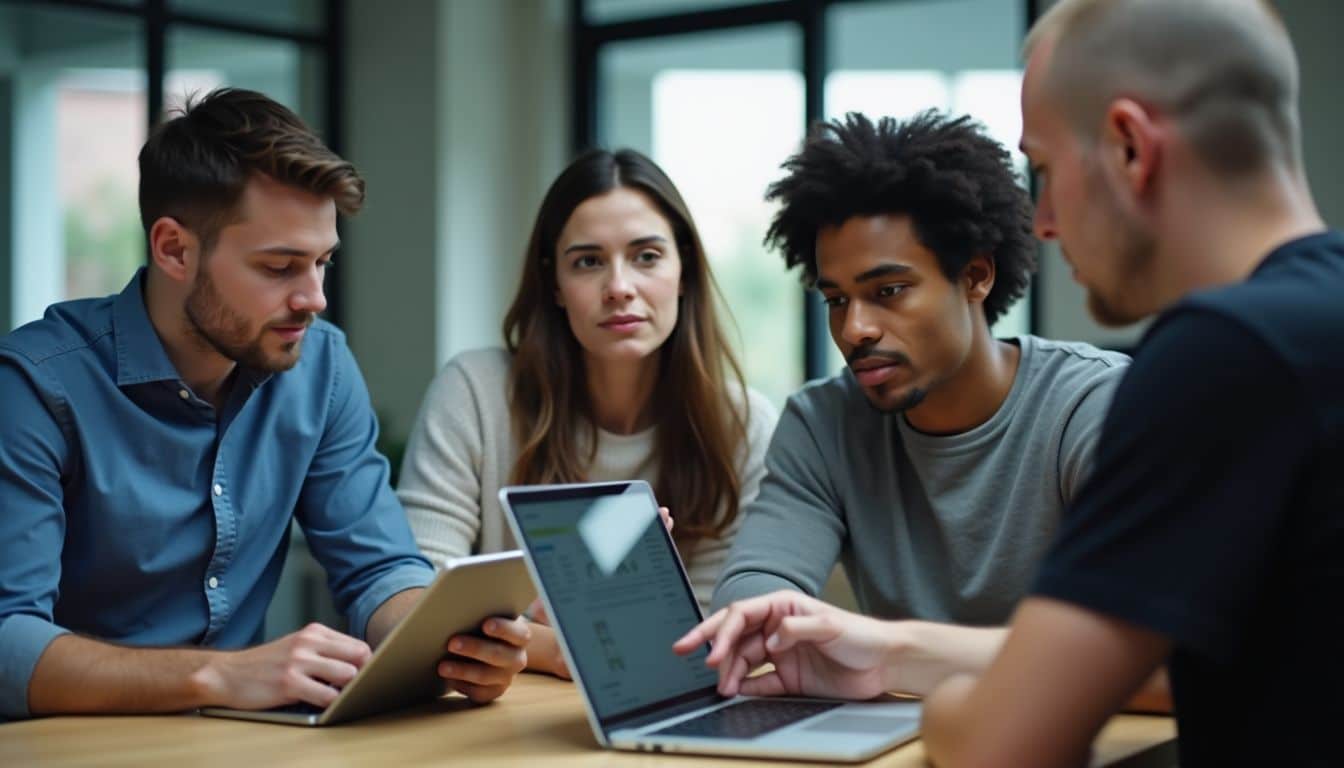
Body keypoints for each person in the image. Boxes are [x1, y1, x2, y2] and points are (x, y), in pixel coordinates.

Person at [680, 1, 1344, 765]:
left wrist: (910, 663)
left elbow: (1000, 741)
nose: (1047, 220)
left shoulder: (1215, 358)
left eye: (1051, 171)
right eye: (835, 299)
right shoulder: (1298, 332)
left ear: (1130, 145)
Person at [0, 88, 528, 721]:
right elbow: (8, 642)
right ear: (173, 249)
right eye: (280, 267)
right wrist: (220, 675)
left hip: (242, 744)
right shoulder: (34, 387)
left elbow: (380, 569)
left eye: (322, 263)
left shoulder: (320, 367)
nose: (315, 298)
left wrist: (454, 646)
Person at [706, 111, 1136, 697]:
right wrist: (759, 619)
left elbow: (1152, 654)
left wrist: (894, 656)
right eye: (836, 299)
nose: (855, 328)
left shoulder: (1093, 407)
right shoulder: (822, 424)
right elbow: (755, 589)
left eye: (888, 292)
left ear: (976, 276)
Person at [396, 148, 777, 679]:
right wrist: (557, 643)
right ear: (555, 284)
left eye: (646, 256)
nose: (619, 287)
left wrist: (531, 628)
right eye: (589, 261)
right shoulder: (475, 393)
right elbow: (420, 600)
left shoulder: (742, 425)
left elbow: (712, 634)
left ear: (684, 270)